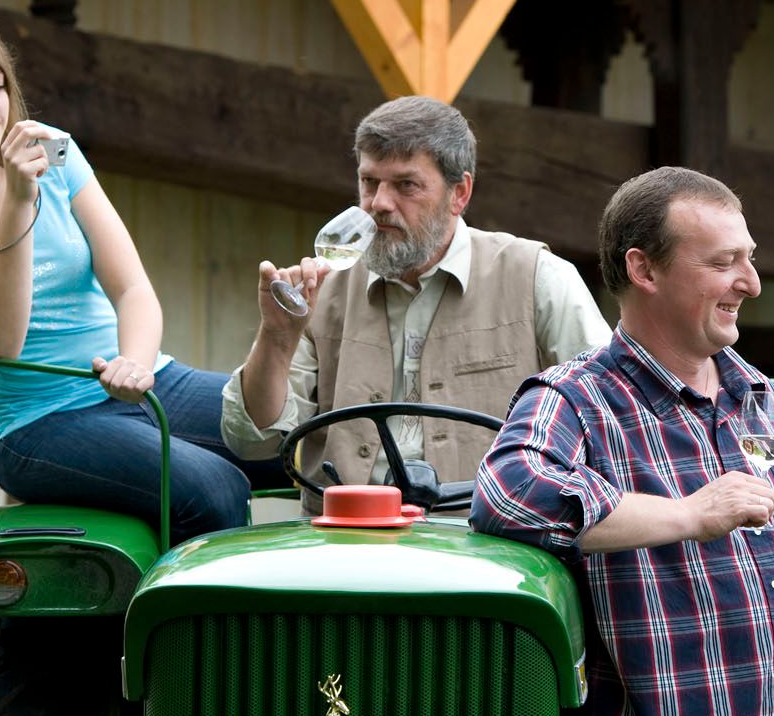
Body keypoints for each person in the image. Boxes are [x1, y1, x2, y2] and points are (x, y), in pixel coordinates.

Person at [471, 167, 774, 716]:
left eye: (748, 260)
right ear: (644, 269)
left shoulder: (763, 400)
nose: (750, 283)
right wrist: (688, 514)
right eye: (723, 262)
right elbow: (509, 495)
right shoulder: (577, 399)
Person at [0, 11, 257, 544]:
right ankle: (190, 628)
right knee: (212, 489)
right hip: (38, 422)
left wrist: (136, 367)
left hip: (142, 382)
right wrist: (19, 203)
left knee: (304, 435)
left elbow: (133, 288)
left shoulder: (55, 149)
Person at [220, 96, 609, 495]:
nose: (379, 204)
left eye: (406, 185)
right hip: (343, 537)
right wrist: (277, 337)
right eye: (369, 182)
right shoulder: (324, 289)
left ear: (460, 193)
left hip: (488, 541)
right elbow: (252, 442)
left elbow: (607, 421)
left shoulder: (537, 278)